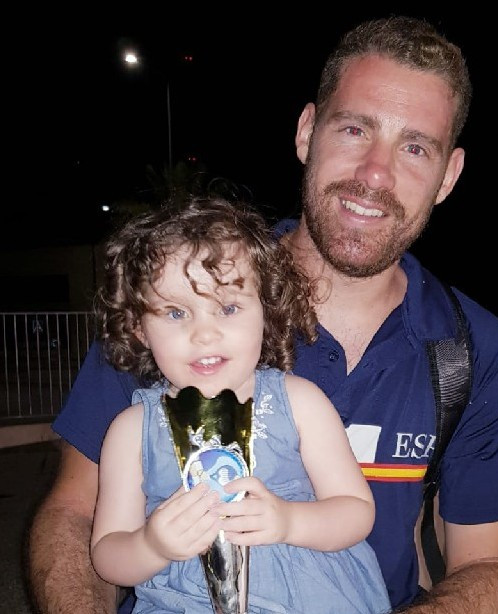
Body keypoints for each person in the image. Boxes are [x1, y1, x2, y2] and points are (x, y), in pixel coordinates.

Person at [28, 15, 498, 613]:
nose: (376, 173)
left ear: (448, 176)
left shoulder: (470, 348)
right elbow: (75, 515)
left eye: (415, 147)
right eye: (354, 129)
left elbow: (492, 564)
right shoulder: (179, 289)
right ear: (306, 132)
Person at [89, 196, 391, 613]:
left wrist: (288, 521)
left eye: (228, 308)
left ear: (266, 309)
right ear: (139, 327)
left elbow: (356, 512)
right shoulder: (130, 430)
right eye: (175, 313)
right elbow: (107, 555)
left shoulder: (300, 402)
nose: (204, 334)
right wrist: (151, 545)